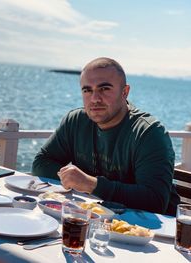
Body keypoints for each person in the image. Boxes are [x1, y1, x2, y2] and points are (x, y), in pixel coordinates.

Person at [32, 57, 180, 216]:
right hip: (94, 219)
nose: (95, 99)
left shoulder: (148, 132)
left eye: (104, 89)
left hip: (152, 231)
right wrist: (75, 180)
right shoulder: (75, 121)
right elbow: (41, 163)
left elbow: (155, 201)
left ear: (125, 92)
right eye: (87, 90)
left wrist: (91, 184)